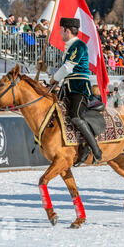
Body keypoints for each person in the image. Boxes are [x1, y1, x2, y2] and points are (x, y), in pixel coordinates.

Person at [48, 17, 103, 162]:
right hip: (68, 87)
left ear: (67, 30)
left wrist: (54, 79)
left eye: (61, 30)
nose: (60, 34)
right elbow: (65, 69)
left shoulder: (78, 45)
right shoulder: (70, 46)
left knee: (75, 116)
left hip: (79, 87)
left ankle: (94, 148)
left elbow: (68, 67)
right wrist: (46, 69)